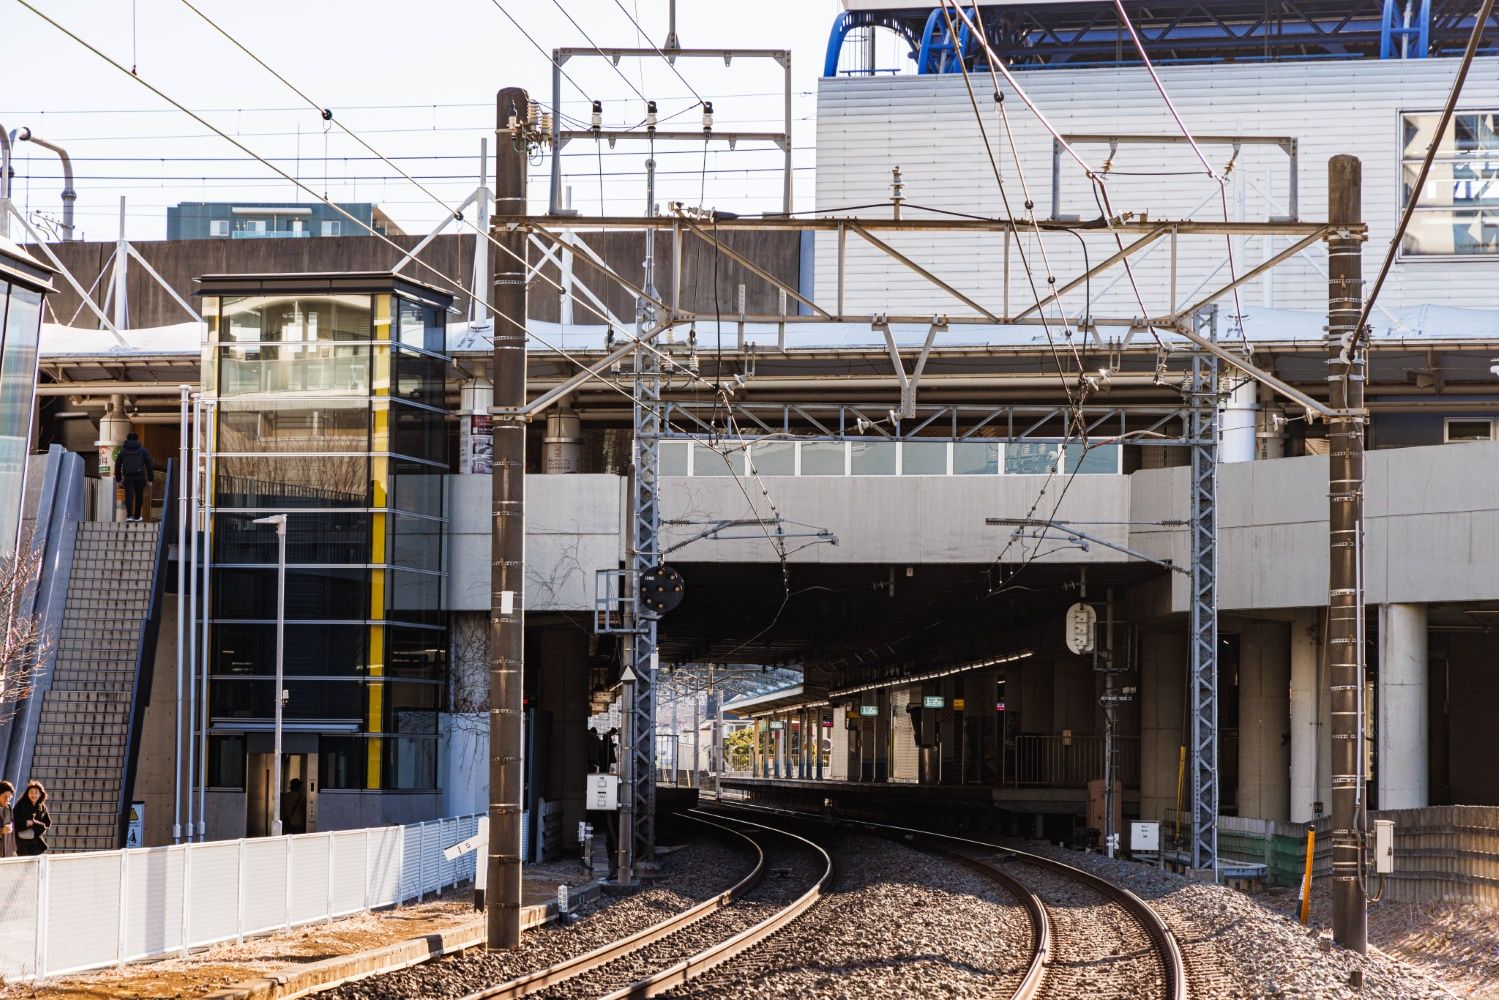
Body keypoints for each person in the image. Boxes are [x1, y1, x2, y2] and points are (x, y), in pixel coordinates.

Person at [114, 432, 154, 523]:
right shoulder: (142, 450)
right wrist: (150, 479)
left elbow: (117, 465)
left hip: (128, 477)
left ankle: (129, 516)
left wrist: (119, 479)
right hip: (140, 477)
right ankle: (137, 516)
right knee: (139, 496)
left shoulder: (123, 451)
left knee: (129, 496)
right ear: (137, 439)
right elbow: (149, 464)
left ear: (127, 439)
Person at [13, 781, 49, 856]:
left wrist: (36, 825)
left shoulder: (41, 807)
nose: (34, 795)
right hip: (21, 841)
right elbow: (13, 822)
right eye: (31, 792)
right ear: (27, 794)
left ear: (40, 794)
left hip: (35, 840)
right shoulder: (20, 805)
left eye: (36, 793)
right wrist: (26, 823)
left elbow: (47, 823)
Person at [0, 781, 16, 858]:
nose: (7, 799)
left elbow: (13, 829)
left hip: (7, 849)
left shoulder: (9, 807)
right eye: (5, 796)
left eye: (9, 796)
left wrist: (14, 849)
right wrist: (1, 830)